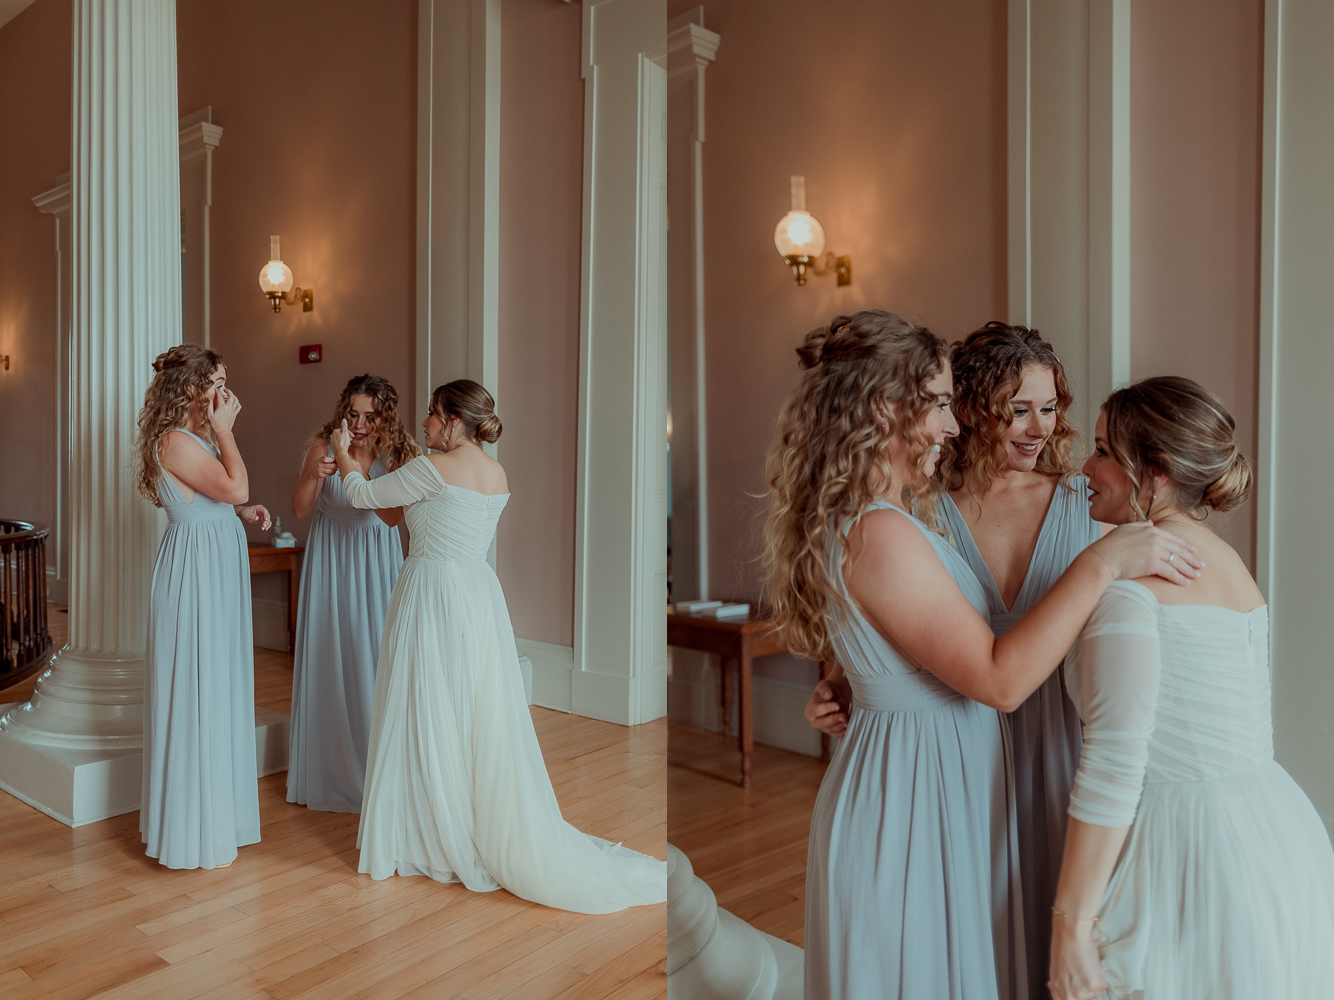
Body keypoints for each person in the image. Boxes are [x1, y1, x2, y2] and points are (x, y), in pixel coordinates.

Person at [761, 311, 1200, 999]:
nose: (951, 426)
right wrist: (1100, 564)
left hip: (1004, 767)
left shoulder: (896, 516)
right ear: (890, 408)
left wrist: (862, 681)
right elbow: (991, 674)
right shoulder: (896, 523)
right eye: (941, 405)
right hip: (925, 788)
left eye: (1049, 408)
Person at [806, 322, 1101, 996]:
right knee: (966, 950)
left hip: (1057, 752)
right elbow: (890, 627)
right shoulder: (921, 512)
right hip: (954, 771)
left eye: (1049, 407)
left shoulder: (1090, 506)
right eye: (1016, 408)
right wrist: (850, 684)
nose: (1037, 427)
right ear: (968, 409)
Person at [1047, 376, 1334, 1000]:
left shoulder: (1133, 589)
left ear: (1158, 470)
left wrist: (1070, 927)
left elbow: (1114, 766)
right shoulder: (1227, 563)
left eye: (1101, 450)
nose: (1085, 467)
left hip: (1190, 857)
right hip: (1279, 838)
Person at [332, 379, 666, 913]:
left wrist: (340, 454)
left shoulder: (434, 469)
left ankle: (429, 833)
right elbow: (405, 512)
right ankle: (449, 820)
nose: (425, 424)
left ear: (456, 422)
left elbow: (362, 495)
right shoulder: (495, 473)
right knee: (468, 712)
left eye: (433, 417)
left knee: (425, 705)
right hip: (476, 595)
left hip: (433, 591)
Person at [134, 344, 272, 870]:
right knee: (197, 687)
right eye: (217, 380)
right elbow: (235, 479)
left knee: (215, 685)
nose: (226, 391)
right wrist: (228, 432)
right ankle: (190, 831)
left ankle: (215, 816)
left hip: (211, 568)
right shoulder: (174, 440)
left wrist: (239, 511)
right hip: (195, 576)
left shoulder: (190, 439)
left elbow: (221, 495)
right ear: (193, 389)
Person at [286, 374, 421, 813]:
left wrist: (348, 464)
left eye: (369, 415)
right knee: (331, 656)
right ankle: (329, 770)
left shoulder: (395, 455)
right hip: (331, 560)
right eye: (352, 414)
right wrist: (312, 472)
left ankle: (378, 772)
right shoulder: (322, 445)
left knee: (374, 657)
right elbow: (301, 509)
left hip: (376, 558)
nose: (359, 424)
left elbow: (388, 517)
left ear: (384, 417)